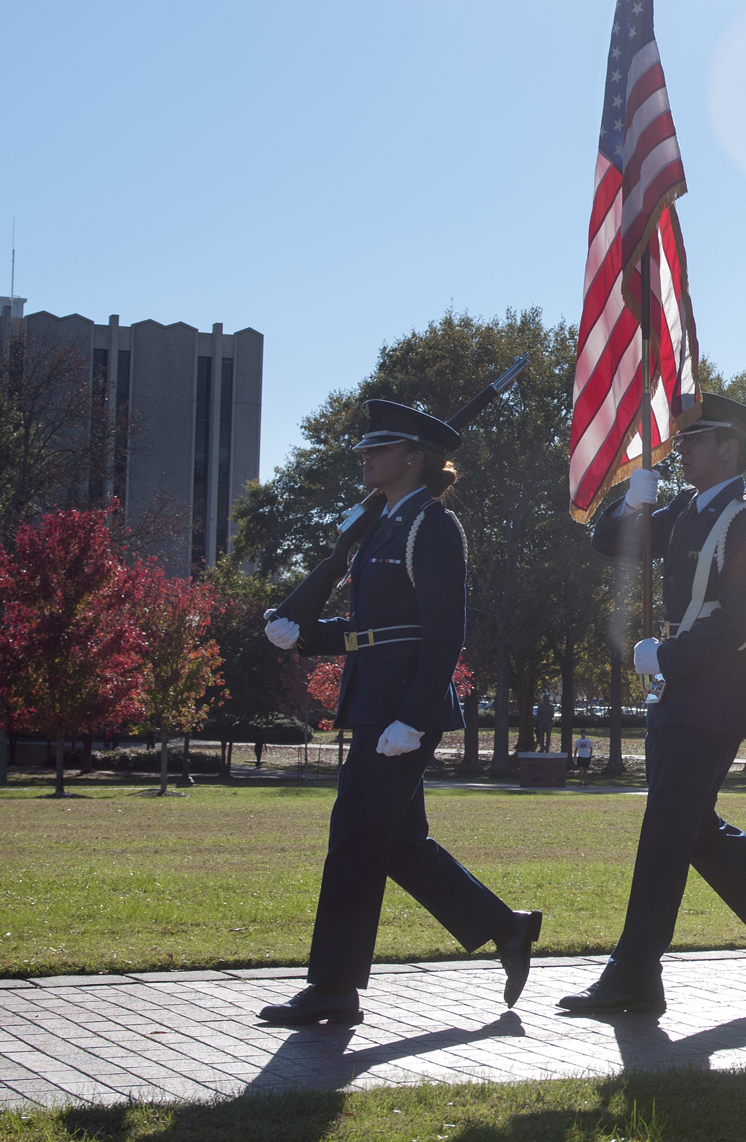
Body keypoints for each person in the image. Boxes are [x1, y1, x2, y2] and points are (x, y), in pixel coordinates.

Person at [256, 400, 542, 1026]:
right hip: (375, 701)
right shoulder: (382, 524)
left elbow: (443, 631)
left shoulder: (431, 525)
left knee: (355, 838)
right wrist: (304, 633)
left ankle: (333, 988)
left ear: (413, 456)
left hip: (401, 711)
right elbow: (374, 629)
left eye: (378, 449)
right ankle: (506, 929)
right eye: (366, 449)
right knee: (399, 844)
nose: (365, 458)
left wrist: (413, 717)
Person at [559, 395, 746, 1015]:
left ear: (729, 448)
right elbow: (609, 543)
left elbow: (739, 621)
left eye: (694, 440)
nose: (679, 449)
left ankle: (634, 973)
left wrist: (669, 657)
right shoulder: (684, 508)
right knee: (690, 829)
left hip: (713, 692)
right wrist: (633, 496)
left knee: (666, 831)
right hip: (679, 692)